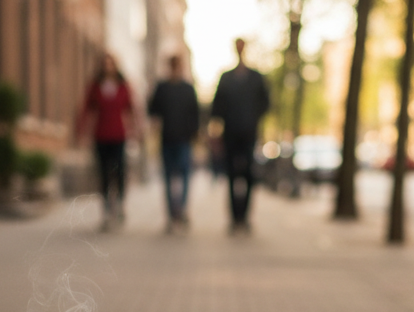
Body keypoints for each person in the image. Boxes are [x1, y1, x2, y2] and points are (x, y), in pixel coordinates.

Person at [211, 39, 270, 233]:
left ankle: (244, 218)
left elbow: (265, 103)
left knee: (248, 176)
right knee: (231, 177)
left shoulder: (255, 77)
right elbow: (216, 108)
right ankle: (234, 218)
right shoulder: (226, 78)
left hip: (249, 134)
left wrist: (253, 119)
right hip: (231, 135)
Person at [78, 53, 136, 229]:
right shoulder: (95, 86)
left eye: (111, 64)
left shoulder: (123, 85)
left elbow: (131, 109)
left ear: (115, 66)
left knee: (119, 173)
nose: (108, 67)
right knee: (103, 174)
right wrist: (81, 131)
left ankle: (118, 206)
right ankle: (106, 211)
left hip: (119, 136)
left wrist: (135, 130)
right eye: (105, 64)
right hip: (101, 136)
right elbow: (86, 108)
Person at [148, 54, 200, 231]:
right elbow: (153, 109)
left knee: (184, 176)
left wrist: (195, 134)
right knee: (169, 177)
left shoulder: (188, 89)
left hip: (184, 140)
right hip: (167, 139)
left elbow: (195, 114)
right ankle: (172, 215)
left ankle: (182, 210)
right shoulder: (162, 88)